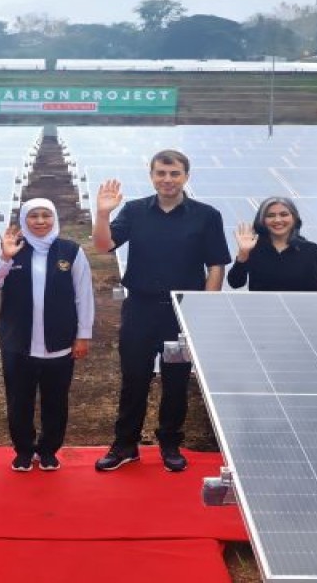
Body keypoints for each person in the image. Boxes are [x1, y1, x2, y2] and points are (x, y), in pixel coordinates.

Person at [92, 150, 230, 473]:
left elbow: (216, 265)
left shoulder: (206, 215)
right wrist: (102, 215)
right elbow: (102, 246)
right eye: (161, 173)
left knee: (176, 380)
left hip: (181, 312)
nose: (167, 180)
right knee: (134, 378)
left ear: (186, 176)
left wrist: (204, 309)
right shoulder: (135, 210)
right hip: (140, 308)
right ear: (152, 175)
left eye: (174, 174)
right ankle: (125, 444)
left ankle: (170, 443)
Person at [0, 198, 95, 472]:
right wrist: (5, 257)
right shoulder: (12, 248)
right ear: (24, 220)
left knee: (56, 401)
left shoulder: (71, 251)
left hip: (59, 343)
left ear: (54, 218)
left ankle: (48, 451)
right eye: (34, 216)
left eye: (46, 215)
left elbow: (84, 296)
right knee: (19, 400)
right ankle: (23, 450)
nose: (40, 221)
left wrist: (83, 335)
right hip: (18, 342)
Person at [227, 197, 317, 291]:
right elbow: (235, 283)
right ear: (262, 221)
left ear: (294, 218)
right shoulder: (253, 248)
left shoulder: (312, 251)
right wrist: (243, 253)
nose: (277, 220)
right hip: (261, 307)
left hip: (299, 308)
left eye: (284, 214)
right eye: (270, 216)